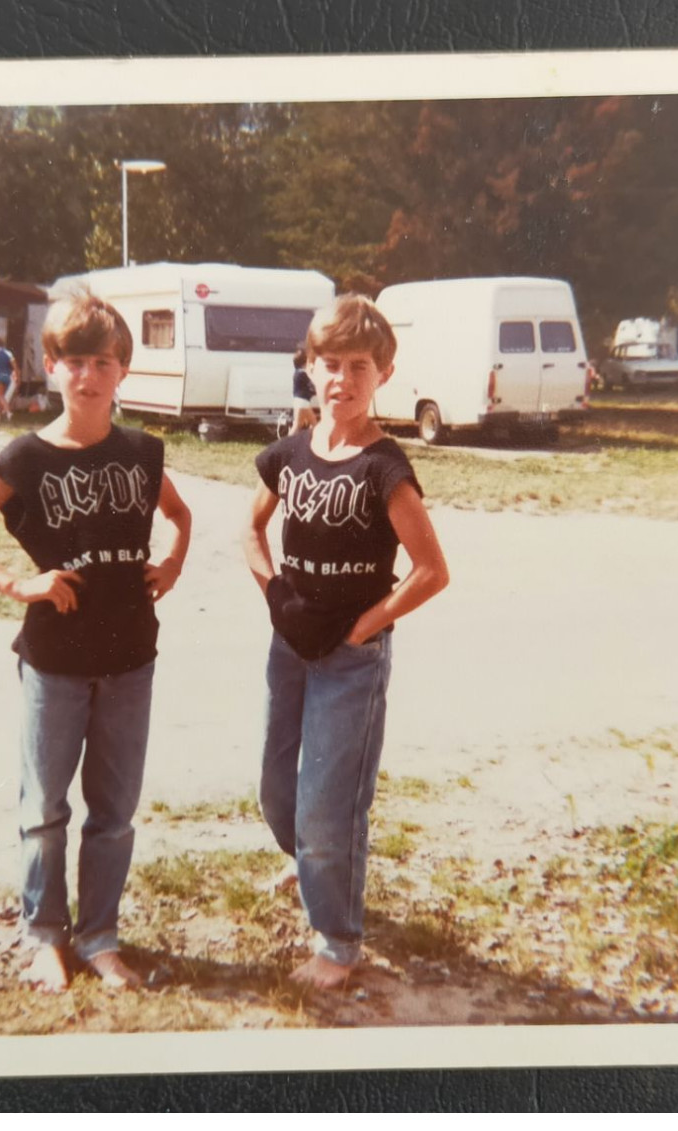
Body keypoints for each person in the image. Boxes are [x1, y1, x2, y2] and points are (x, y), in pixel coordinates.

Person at [0, 290, 192, 992]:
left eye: (101, 361)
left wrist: (171, 561)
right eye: (73, 360)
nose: (87, 375)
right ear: (51, 365)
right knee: (44, 807)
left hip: (132, 656)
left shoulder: (142, 451)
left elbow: (179, 514)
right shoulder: (25, 456)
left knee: (114, 811)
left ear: (121, 371)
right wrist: (18, 585)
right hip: (55, 660)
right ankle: (45, 934)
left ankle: (100, 935)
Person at [243, 294, 449, 990]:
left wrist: (367, 625)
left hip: (350, 661)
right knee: (278, 793)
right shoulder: (293, 453)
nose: (342, 379)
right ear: (310, 367)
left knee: (330, 803)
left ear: (383, 373)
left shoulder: (385, 467)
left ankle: (338, 941)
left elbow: (431, 570)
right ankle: (314, 865)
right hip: (290, 648)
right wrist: (273, 592)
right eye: (329, 364)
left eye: (358, 366)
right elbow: (250, 530)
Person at [290, 345, 317, 435]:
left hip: (300, 402)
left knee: (300, 424)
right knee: (307, 424)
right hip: (303, 403)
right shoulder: (303, 373)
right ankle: (287, 443)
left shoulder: (297, 373)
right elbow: (311, 385)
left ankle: (306, 440)